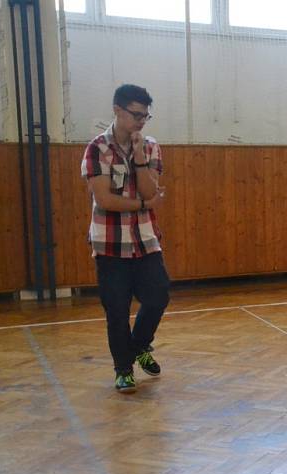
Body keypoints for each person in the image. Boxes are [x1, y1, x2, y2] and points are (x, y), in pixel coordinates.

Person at [80, 84, 169, 393]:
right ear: (117, 110)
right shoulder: (96, 148)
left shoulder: (151, 146)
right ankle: (123, 369)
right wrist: (146, 205)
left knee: (158, 297)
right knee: (117, 310)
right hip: (110, 245)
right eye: (135, 115)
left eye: (145, 116)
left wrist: (141, 159)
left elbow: (149, 190)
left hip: (145, 240)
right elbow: (105, 200)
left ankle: (140, 345)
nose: (141, 122)